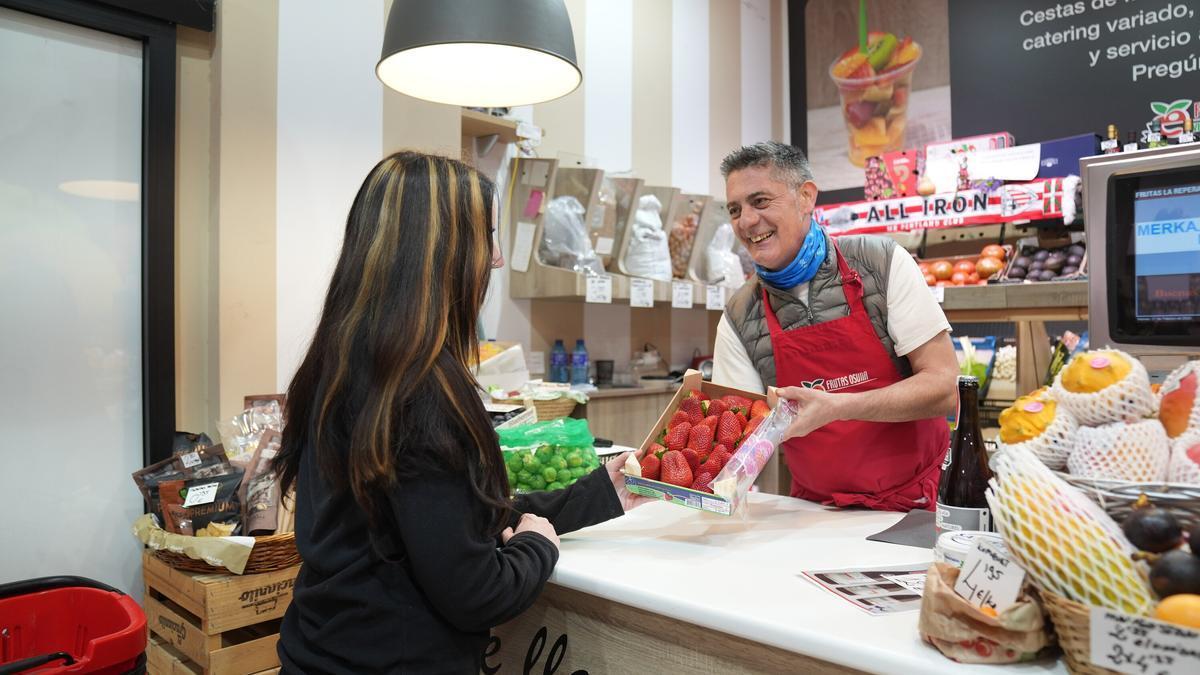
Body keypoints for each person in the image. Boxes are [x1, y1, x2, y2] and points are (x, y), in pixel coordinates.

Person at [273, 151, 642, 673]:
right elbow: (478, 592)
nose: (495, 258)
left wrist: (600, 495)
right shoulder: (423, 393)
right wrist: (537, 548)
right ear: (437, 252)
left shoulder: (339, 362)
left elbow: (449, 520)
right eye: (486, 236)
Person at [712, 141, 958, 512]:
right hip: (818, 513)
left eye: (760, 201)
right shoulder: (739, 315)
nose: (746, 221)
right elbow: (739, 439)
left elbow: (946, 388)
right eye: (735, 209)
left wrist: (839, 406)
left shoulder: (881, 263)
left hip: (921, 501)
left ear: (806, 197)